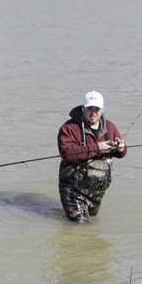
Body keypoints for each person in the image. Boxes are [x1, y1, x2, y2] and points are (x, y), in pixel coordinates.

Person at [57, 90, 126, 222]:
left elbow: (122, 153)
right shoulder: (69, 128)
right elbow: (67, 153)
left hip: (97, 191)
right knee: (81, 225)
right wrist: (98, 147)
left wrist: (121, 148)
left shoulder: (110, 127)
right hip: (73, 188)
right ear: (83, 109)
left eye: (97, 109)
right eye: (89, 109)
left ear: (102, 110)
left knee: (92, 222)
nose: (93, 113)